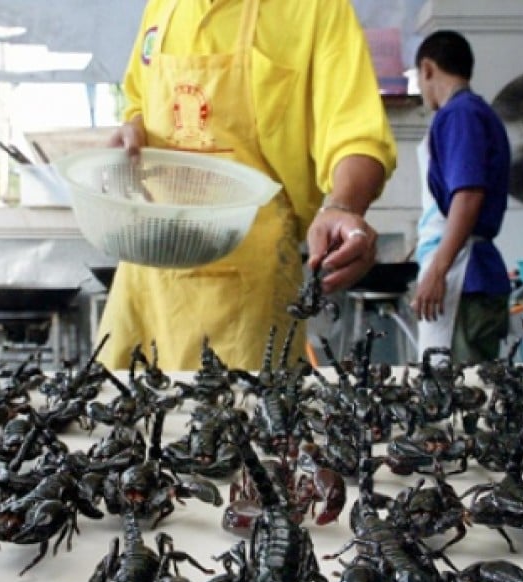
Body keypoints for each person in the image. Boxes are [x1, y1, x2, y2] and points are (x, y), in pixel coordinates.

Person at [96, 0, 397, 371]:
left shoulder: (316, 9)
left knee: (236, 416)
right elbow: (138, 101)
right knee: (116, 411)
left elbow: (356, 136)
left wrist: (345, 205)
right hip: (147, 268)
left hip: (247, 282)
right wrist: (135, 128)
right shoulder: (162, 6)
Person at [410, 30, 512, 364]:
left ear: (427, 69)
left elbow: (467, 195)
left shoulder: (460, 115)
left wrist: (438, 271)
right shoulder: (474, 112)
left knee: (460, 399)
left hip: (464, 278)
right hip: (468, 272)